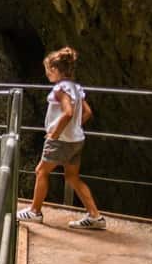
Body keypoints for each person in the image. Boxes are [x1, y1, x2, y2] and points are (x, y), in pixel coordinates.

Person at [16, 47, 106, 229]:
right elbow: (87, 112)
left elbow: (67, 112)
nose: (47, 74)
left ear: (56, 70)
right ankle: (95, 216)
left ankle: (35, 211)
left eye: (48, 70)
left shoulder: (60, 89)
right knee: (72, 177)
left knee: (41, 171)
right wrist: (75, 128)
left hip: (61, 141)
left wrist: (55, 133)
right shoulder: (76, 87)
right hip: (76, 140)